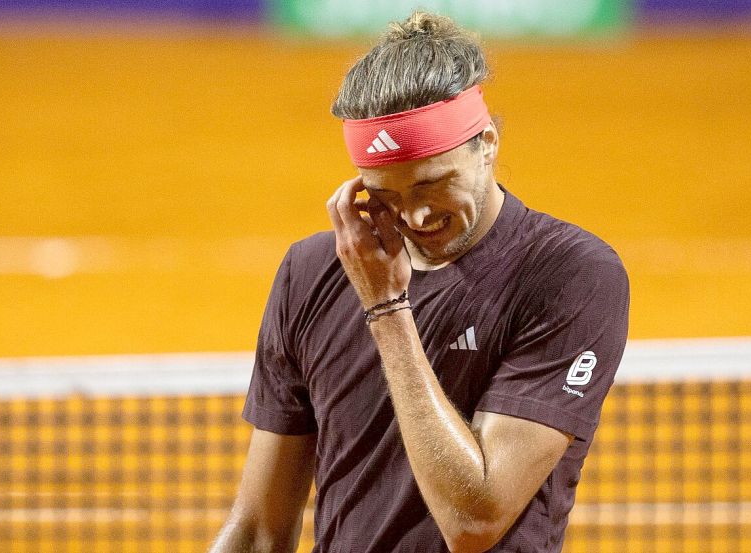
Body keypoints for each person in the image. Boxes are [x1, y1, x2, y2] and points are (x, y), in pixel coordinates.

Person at [210, 11, 629, 553]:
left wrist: (386, 307)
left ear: (487, 143)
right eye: (386, 193)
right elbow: (258, 529)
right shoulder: (310, 273)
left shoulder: (568, 274)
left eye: (434, 182)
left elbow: (474, 519)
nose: (416, 214)